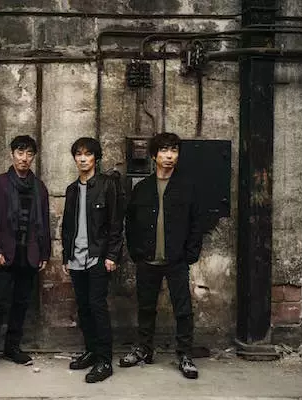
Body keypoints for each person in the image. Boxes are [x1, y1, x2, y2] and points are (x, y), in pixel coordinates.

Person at [121, 132, 203, 379]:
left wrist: (190, 254)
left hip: (176, 260)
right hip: (147, 259)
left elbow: (196, 222)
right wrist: (136, 252)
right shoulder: (142, 188)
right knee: (146, 307)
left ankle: (185, 354)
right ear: (154, 156)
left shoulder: (187, 187)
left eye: (174, 150)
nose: (169, 156)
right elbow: (131, 223)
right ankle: (144, 349)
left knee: (183, 309)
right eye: (165, 150)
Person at [0, 135, 51, 376]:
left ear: (33, 157)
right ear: (12, 154)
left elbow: (44, 222)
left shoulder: (39, 187)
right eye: (20, 153)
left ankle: (12, 347)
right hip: (5, 254)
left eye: (29, 154)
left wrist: (44, 253)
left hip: (29, 254)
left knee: (21, 304)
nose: (24, 158)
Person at [61, 137, 124, 383]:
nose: (83, 158)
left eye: (88, 154)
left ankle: (104, 360)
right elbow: (67, 227)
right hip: (76, 257)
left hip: (98, 257)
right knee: (84, 307)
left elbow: (116, 223)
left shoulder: (107, 185)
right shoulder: (72, 190)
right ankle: (91, 351)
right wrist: (66, 256)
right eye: (78, 154)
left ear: (96, 158)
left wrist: (112, 255)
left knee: (97, 307)